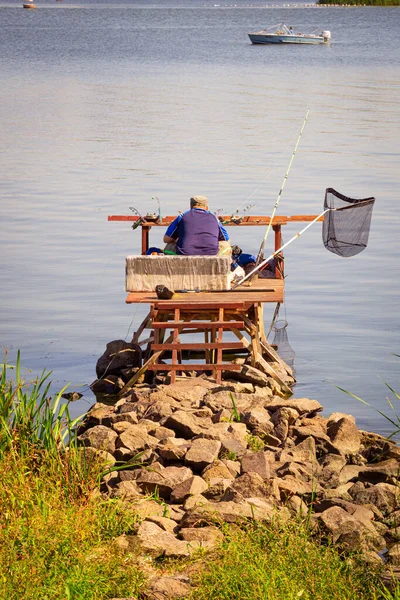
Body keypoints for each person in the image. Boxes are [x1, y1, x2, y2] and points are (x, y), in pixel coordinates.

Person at [163, 196, 230, 256]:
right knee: (226, 245)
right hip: (211, 255)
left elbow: (166, 239)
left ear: (190, 206)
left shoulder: (182, 216)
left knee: (168, 247)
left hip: (185, 255)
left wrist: (177, 239)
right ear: (206, 207)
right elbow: (226, 238)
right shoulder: (214, 218)